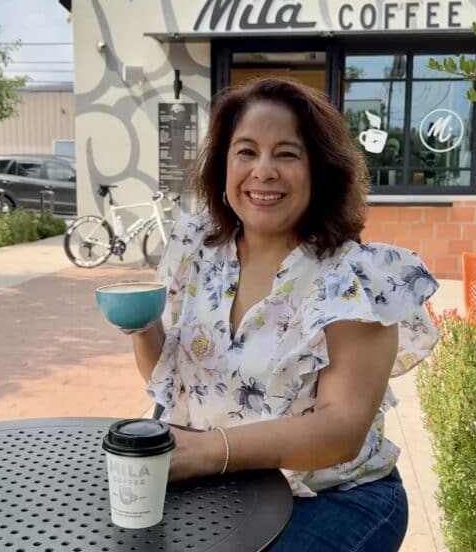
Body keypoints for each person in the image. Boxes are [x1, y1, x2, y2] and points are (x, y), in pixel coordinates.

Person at [123, 77, 440, 551]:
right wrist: (142, 326)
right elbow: (181, 383)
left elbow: (341, 431)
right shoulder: (198, 251)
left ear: (320, 170)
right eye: (246, 151)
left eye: (287, 154)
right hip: (228, 485)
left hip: (333, 497)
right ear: (223, 166)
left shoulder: (356, 277)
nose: (263, 171)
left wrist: (206, 452)